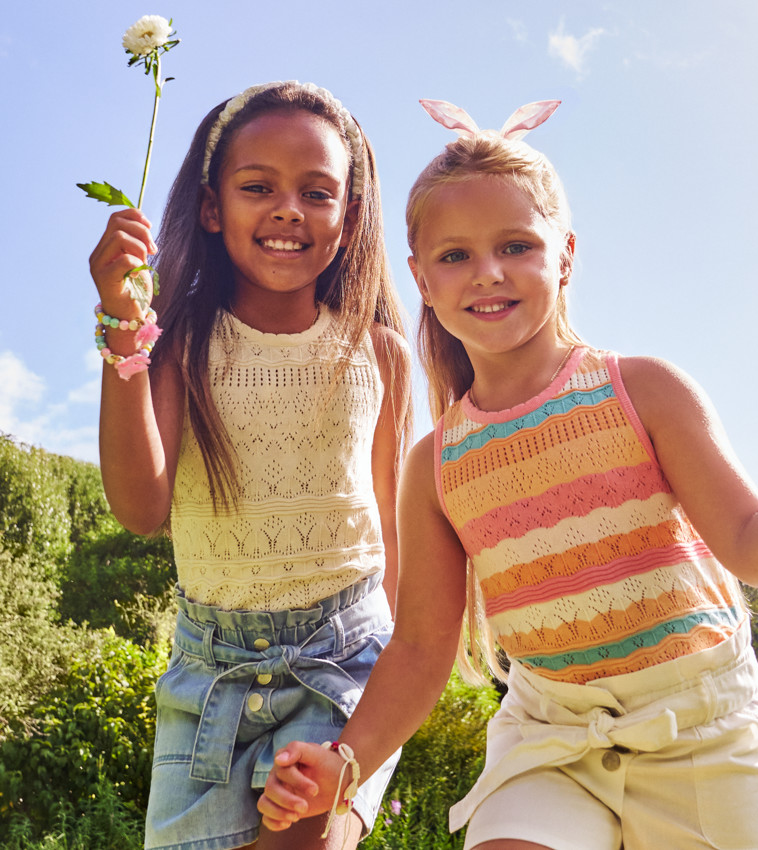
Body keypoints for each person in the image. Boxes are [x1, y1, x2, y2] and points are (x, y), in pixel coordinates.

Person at [256, 98, 758, 850]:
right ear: (422, 281)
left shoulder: (643, 390)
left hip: (701, 728)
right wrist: (346, 762)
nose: (488, 273)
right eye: (455, 256)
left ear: (564, 254)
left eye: (515, 246)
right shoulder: (433, 466)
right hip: (551, 733)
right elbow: (418, 649)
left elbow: (756, 549)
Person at [88, 80, 412, 850]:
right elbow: (141, 507)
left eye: (317, 192)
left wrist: (390, 700)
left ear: (350, 215)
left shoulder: (378, 355)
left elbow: (395, 532)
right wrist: (123, 329)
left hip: (347, 660)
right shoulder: (179, 346)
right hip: (210, 679)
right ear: (211, 208)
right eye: (257, 187)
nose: (288, 208)